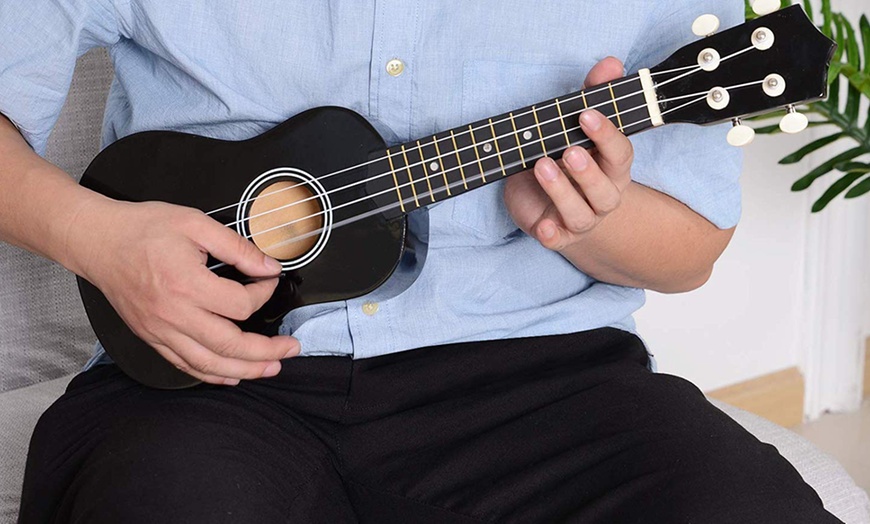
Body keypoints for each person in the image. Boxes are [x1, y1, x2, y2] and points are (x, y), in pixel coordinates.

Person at [0, 1, 842, 522]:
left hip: (543, 391)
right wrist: (96, 237)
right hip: (198, 384)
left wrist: (587, 219)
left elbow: (693, 251)